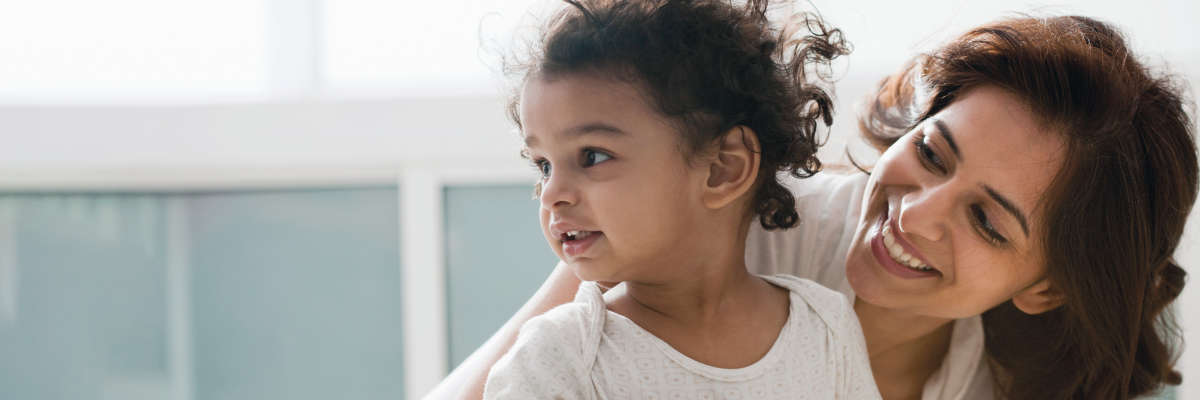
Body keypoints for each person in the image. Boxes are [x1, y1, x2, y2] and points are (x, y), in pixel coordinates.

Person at [432, 13, 1198, 400]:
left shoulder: (989, 381)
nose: (916, 214)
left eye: (985, 221)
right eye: (931, 154)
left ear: (1046, 286)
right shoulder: (739, 222)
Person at [480, 0, 882, 399]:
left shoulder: (825, 327)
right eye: (544, 165)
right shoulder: (556, 358)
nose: (551, 194)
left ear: (723, 169)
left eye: (593, 156)